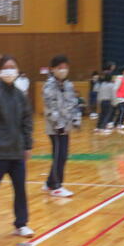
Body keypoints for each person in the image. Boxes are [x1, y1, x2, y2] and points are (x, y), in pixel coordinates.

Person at [0, 55, 34, 240]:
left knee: (20, 189)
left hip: (17, 152)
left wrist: (27, 145)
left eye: (13, 67)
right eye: (6, 67)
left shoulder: (20, 95)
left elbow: (27, 120)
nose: (10, 70)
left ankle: (21, 224)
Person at [42, 55, 80, 198]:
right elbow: (50, 108)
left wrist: (76, 119)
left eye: (65, 67)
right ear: (52, 69)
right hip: (55, 128)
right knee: (60, 156)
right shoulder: (49, 86)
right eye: (60, 67)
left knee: (62, 155)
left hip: (66, 127)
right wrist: (58, 124)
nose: (63, 70)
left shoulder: (69, 85)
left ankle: (49, 182)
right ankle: (56, 186)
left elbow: (74, 103)